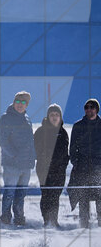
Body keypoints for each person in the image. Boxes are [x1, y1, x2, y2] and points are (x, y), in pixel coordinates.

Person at [0, 91, 36, 226]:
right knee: (9, 192)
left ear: (27, 105)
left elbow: (30, 141)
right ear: (14, 103)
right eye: (18, 101)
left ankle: (19, 218)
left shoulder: (27, 119)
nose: (20, 104)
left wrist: (32, 157)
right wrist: (14, 155)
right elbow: (2, 141)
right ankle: (5, 219)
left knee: (21, 194)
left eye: (23, 102)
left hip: (26, 164)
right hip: (12, 164)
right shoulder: (6, 118)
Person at [34, 104, 69, 227]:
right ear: (48, 116)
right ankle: (47, 220)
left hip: (59, 170)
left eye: (57, 115)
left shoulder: (63, 133)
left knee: (55, 196)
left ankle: (54, 220)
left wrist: (63, 164)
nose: (54, 117)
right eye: (52, 114)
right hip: (44, 169)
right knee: (46, 195)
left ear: (60, 117)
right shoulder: (40, 131)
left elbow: (65, 152)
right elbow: (36, 150)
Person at [69, 98, 101, 228]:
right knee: (83, 199)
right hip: (82, 169)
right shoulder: (78, 126)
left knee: (100, 199)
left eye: (92, 107)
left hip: (99, 169)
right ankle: (83, 227)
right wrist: (77, 163)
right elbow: (72, 149)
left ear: (97, 109)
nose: (89, 110)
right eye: (86, 107)